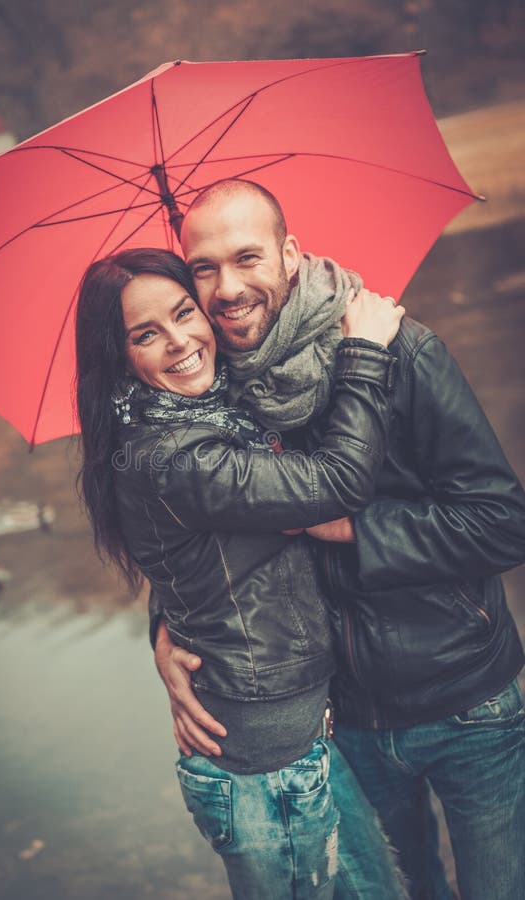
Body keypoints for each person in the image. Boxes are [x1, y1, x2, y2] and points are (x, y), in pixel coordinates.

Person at [154, 179, 525, 900]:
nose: (227, 288)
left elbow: (501, 521)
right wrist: (164, 631)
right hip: (339, 723)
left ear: (291, 255)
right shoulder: (208, 394)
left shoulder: (399, 350)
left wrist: (347, 526)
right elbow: (200, 538)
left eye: (247, 258)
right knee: (410, 887)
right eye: (203, 268)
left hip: (468, 703)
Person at [75, 245, 407, 900]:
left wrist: (165, 632)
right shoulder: (175, 454)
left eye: (183, 313)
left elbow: (194, 561)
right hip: (264, 767)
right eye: (147, 334)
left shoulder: (210, 414)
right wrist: (363, 352)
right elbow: (337, 482)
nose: (181, 341)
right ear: (121, 358)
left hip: (298, 735)